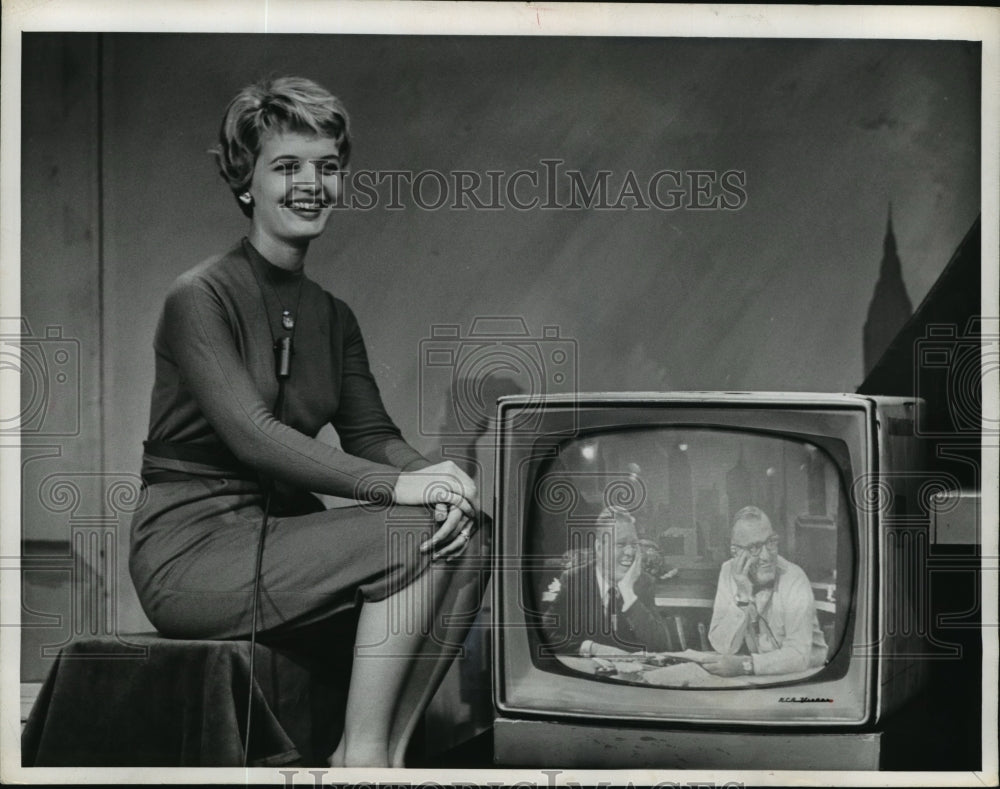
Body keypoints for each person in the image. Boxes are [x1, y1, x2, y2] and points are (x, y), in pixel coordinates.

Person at [127, 76, 488, 768]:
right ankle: (364, 762)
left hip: (279, 538)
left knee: (469, 537)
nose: (310, 184)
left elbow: (372, 435)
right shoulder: (198, 296)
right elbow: (252, 434)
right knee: (412, 528)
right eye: (286, 166)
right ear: (246, 183)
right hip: (188, 551)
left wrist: (435, 478)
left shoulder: (333, 315)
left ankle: (376, 753)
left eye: (327, 167)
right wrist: (397, 490)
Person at [704, 506, 827, 677]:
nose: (766, 556)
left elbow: (799, 654)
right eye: (754, 547)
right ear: (736, 552)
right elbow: (722, 646)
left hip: (807, 676)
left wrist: (746, 665)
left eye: (770, 542)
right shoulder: (729, 572)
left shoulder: (794, 578)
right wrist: (742, 597)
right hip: (764, 677)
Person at [541, 507, 676, 657]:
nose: (630, 552)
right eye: (620, 544)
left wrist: (628, 592)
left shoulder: (643, 582)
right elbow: (545, 634)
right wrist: (592, 648)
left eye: (634, 544)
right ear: (599, 548)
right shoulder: (574, 580)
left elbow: (661, 645)